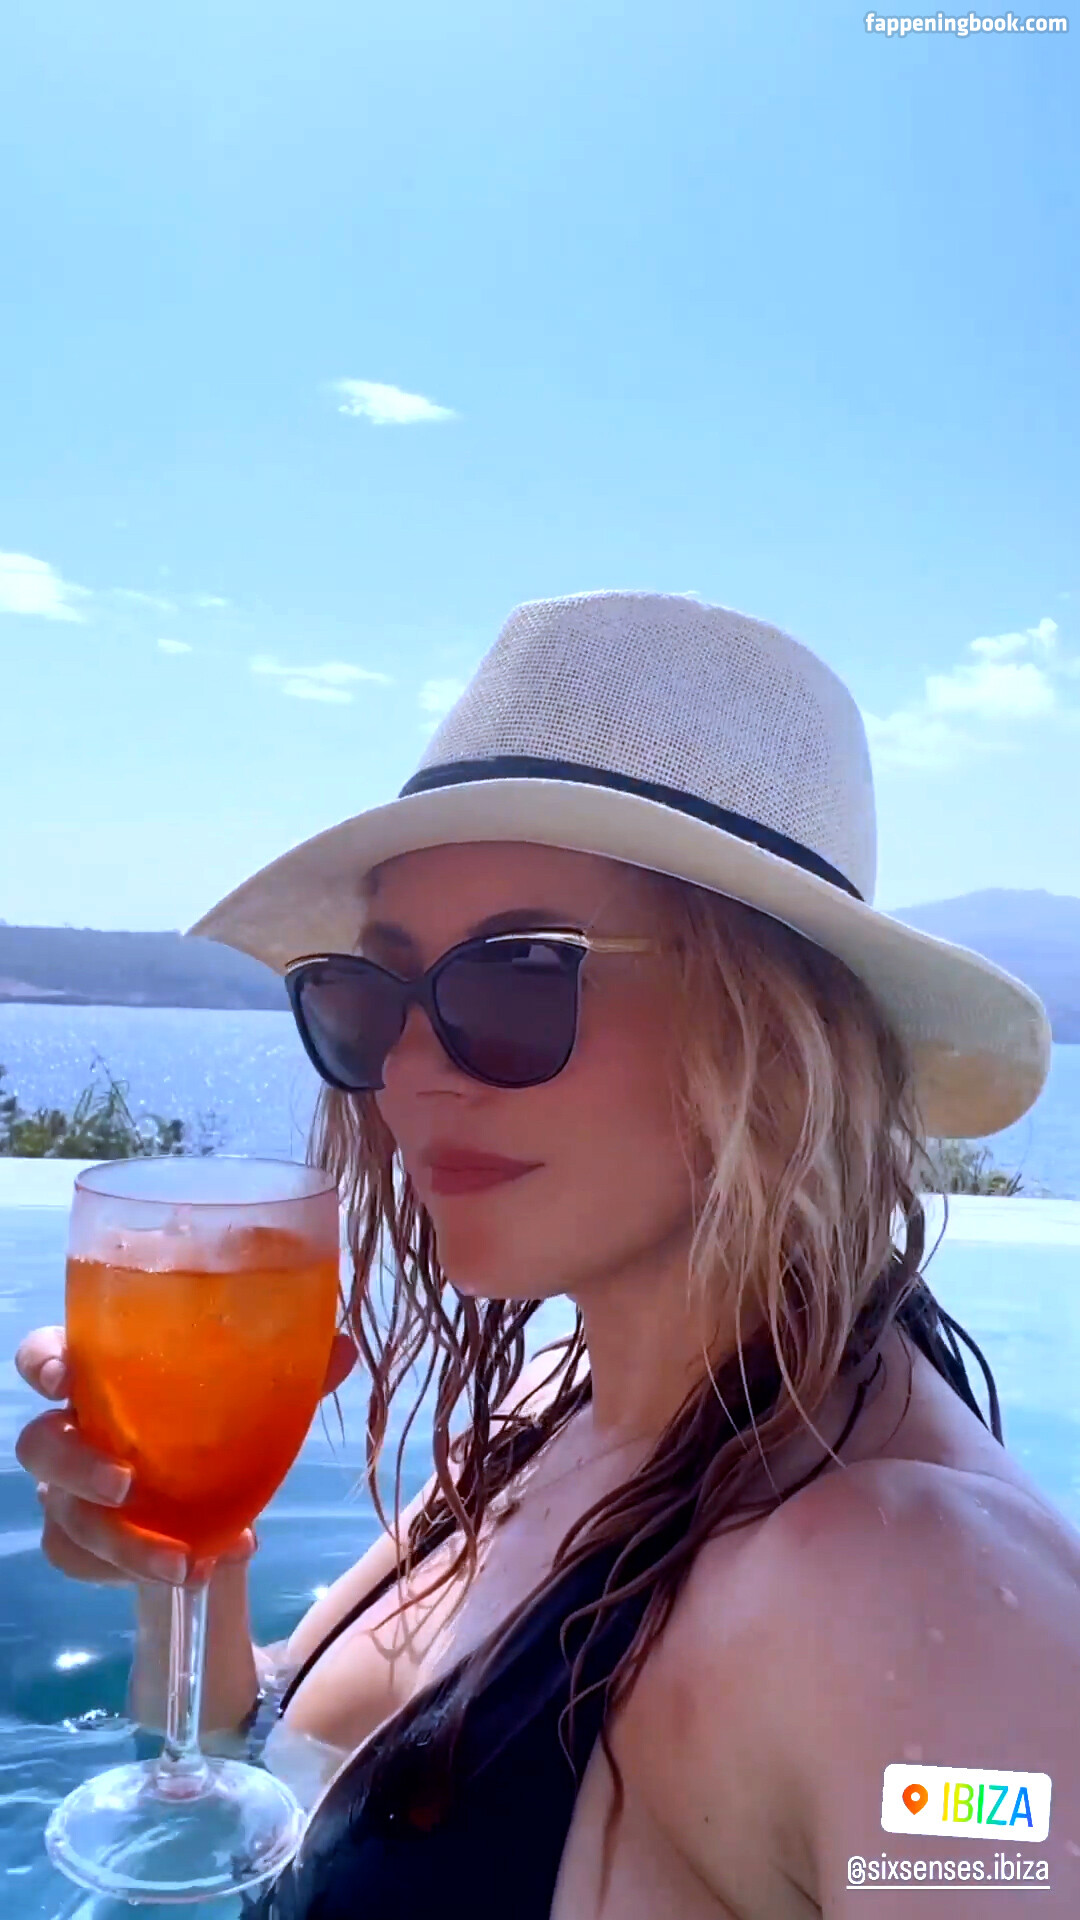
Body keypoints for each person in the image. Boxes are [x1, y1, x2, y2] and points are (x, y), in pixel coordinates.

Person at [16, 590, 1080, 1917]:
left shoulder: (922, 1605)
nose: (405, 1071)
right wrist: (191, 1558)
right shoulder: (554, 1409)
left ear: (778, 1036)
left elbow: (993, 1842)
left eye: (519, 976)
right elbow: (269, 1766)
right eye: (371, 993)